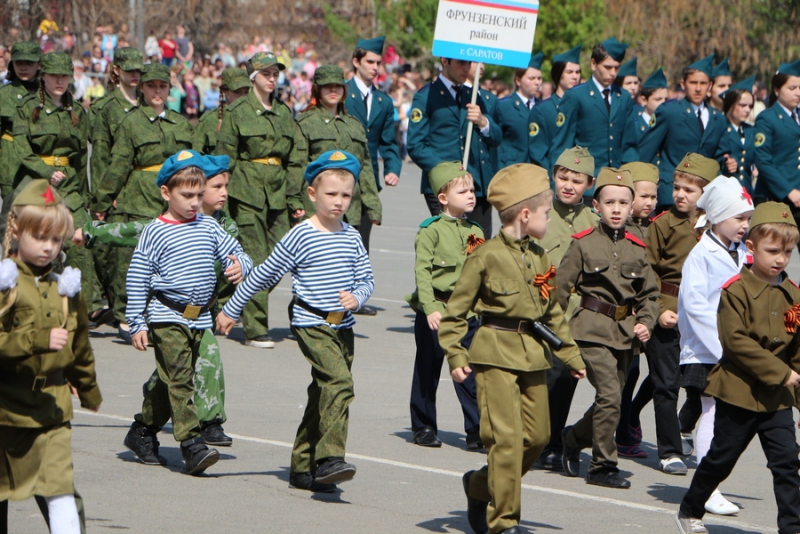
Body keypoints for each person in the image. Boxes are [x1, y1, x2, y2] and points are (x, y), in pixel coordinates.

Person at [438, 163, 586, 534]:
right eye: (546, 212)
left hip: (534, 354)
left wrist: (571, 355)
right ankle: (504, 522)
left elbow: (552, 312)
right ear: (524, 214)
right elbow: (455, 312)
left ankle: (478, 485)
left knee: (536, 438)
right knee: (504, 441)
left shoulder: (540, 257)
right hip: (494, 355)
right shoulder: (485, 255)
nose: (550, 218)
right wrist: (455, 355)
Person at [216, 150, 374, 492]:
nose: (339, 202)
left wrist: (358, 298)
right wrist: (232, 309)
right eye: (331, 194)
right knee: (340, 383)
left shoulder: (351, 236)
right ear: (313, 194)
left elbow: (366, 279)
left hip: (342, 326)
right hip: (310, 321)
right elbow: (261, 275)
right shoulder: (301, 234)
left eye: (346, 195)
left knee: (324, 392)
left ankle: (303, 468)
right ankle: (329, 459)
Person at [122, 150, 252, 475]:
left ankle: (143, 431)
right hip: (167, 315)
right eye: (186, 195)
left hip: (200, 317)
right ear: (166, 192)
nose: (194, 202)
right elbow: (137, 277)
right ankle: (192, 445)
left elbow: (236, 252)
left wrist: (240, 265)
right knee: (181, 379)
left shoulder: (208, 225)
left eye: (198, 194)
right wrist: (136, 321)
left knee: (171, 381)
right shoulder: (155, 231)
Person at [675, 202, 800, 534]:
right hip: (739, 392)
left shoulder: (792, 294)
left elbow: (797, 350)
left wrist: (797, 392)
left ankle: (792, 527)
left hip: (776, 398)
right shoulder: (735, 290)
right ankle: (690, 508)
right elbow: (736, 342)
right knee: (721, 458)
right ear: (751, 247)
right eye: (773, 250)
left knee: (787, 463)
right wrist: (782, 373)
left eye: (787, 252)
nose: (780, 259)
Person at [0, 180, 102, 534]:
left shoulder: (66, 287)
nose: (48, 248)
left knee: (60, 492)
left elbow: (81, 342)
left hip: (51, 409)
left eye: (56, 240)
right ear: (16, 231)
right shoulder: (6, 284)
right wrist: (36, 340)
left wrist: (88, 389)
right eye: (39, 238)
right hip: (6, 409)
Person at [559, 167, 659, 489]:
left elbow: (649, 294)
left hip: (625, 335)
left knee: (611, 400)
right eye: (609, 202)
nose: (616, 209)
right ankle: (602, 466)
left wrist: (646, 321)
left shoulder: (638, 248)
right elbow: (560, 292)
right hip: (589, 331)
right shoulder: (582, 245)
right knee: (611, 395)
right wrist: (554, 336)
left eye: (622, 203)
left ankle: (573, 439)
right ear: (596, 206)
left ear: (631, 208)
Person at [91, 62, 194, 343]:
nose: (157, 91)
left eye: (162, 86)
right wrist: (102, 200)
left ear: (169, 89)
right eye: (151, 86)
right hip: (138, 197)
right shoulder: (131, 122)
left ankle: (161, 314)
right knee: (131, 259)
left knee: (170, 259)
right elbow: (118, 164)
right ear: (143, 89)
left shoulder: (181, 123)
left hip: (172, 198)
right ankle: (125, 316)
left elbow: (193, 165)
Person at [215, 51, 306, 349]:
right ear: (253, 76)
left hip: (278, 192)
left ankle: (237, 301)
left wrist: (294, 195)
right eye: (266, 73)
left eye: (275, 74)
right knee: (254, 257)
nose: (272, 79)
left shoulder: (284, 112)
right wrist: (221, 197)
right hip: (247, 192)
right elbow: (224, 157)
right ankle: (255, 328)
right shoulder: (237, 111)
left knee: (280, 258)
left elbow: (296, 157)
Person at [676, 176, 754, 517]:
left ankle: (708, 485)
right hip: (709, 349)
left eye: (748, 219)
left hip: (731, 346)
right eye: (739, 218)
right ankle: (708, 489)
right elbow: (695, 307)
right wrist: (722, 347)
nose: (745, 225)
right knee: (712, 411)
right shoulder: (700, 255)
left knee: (719, 413)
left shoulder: (740, 252)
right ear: (719, 216)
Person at [645, 153, 719, 475]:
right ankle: (669, 451)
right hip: (670, 310)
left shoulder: (717, 227)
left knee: (704, 385)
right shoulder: (663, 225)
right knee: (665, 385)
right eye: (677, 187)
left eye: (690, 189)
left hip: (704, 315)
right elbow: (648, 273)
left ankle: (684, 425)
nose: (680, 194)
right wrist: (660, 309)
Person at [406, 161, 483, 450]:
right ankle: (423, 426)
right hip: (437, 311)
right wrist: (429, 307)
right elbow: (422, 274)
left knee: (471, 373)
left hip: (468, 314)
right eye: (463, 191)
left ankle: (476, 429)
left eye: (472, 190)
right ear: (442, 198)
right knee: (428, 369)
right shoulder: (430, 231)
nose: (471, 195)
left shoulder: (476, 230)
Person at [531, 147, 599, 471]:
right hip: (536, 309)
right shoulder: (539, 212)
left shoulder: (594, 223)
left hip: (572, 315)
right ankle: (533, 439)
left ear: (590, 183)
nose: (568, 185)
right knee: (536, 379)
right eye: (562, 177)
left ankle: (554, 443)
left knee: (562, 380)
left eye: (577, 179)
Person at [296, 64, 382, 315]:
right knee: (317, 262)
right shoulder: (305, 123)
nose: (333, 91)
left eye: (337, 86)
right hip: (318, 205)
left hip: (350, 204)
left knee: (345, 260)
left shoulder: (353, 125)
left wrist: (372, 203)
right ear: (317, 89)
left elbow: (365, 167)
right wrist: (299, 203)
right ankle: (304, 308)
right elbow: (299, 167)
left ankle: (344, 306)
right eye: (327, 86)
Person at [12, 52, 95, 307]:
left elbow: (81, 159)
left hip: (69, 183)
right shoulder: (27, 108)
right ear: (43, 77)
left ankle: (83, 305)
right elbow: (22, 149)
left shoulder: (78, 110)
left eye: (64, 76)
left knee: (81, 237)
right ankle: (23, 298)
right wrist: (46, 172)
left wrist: (85, 195)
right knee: (33, 238)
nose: (60, 81)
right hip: (36, 182)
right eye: (53, 75)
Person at [407, 57, 501, 236]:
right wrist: (446, 172)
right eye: (461, 63)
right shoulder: (426, 96)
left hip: (474, 185)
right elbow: (416, 145)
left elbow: (496, 138)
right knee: (450, 245)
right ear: (445, 61)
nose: (466, 68)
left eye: (469, 63)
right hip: (442, 185)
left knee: (479, 247)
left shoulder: (473, 95)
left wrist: (483, 122)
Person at [88, 46, 143, 329]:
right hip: (116, 188)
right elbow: (100, 157)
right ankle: (116, 308)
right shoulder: (106, 108)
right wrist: (103, 197)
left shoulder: (147, 103)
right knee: (116, 252)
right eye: (129, 69)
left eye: (138, 70)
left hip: (143, 187)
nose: (135, 75)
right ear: (116, 71)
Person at [639, 56, 726, 209]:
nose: (698, 88)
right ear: (683, 84)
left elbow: (719, 157)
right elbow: (646, 151)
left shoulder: (717, 117)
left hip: (703, 196)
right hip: (671, 194)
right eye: (693, 83)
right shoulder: (670, 112)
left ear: (710, 86)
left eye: (703, 83)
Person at [614, 161, 659, 457]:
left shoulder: (656, 228)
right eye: (643, 196)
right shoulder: (619, 230)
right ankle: (621, 432)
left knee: (662, 374)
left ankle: (630, 414)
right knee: (627, 374)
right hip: (628, 314)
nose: (649, 202)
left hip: (653, 310)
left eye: (653, 196)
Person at [551, 38, 639, 183]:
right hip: (585, 181)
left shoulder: (623, 97)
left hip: (616, 182)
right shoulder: (576, 95)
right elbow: (563, 143)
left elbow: (629, 145)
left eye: (617, 68)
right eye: (607, 67)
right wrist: (559, 182)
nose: (613, 73)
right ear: (593, 64)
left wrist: (632, 179)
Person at [346, 36, 402, 251]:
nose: (375, 68)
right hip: (340, 178)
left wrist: (392, 168)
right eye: (370, 62)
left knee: (361, 246)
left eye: (378, 63)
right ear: (356, 61)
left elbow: (388, 142)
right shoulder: (341, 94)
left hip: (368, 183)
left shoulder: (384, 102)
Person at [0, 41, 42, 237]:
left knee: (40, 217)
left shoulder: (46, 93)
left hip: (41, 161)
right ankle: (9, 262)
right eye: (19, 63)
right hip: (11, 162)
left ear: (38, 65)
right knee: (10, 217)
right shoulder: (4, 94)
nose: (23, 67)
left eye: (29, 62)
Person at [753, 59, 800, 217]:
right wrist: (788, 190)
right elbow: (763, 160)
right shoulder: (767, 118)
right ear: (777, 90)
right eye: (792, 88)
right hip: (776, 197)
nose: (798, 93)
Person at [528, 45, 582, 170]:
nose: (575, 76)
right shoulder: (542, 110)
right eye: (569, 72)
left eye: (578, 72)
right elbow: (538, 152)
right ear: (558, 74)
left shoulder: (583, 105)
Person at [496, 52, 543, 168]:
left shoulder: (543, 107)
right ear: (518, 80)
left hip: (537, 171)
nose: (537, 82)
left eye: (539, 78)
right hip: (512, 170)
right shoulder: (504, 106)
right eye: (531, 78)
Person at [715, 76, 757, 196]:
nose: (747, 110)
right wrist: (725, 163)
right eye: (742, 105)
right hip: (726, 192)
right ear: (731, 104)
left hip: (747, 192)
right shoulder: (719, 128)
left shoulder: (751, 130)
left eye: (750, 106)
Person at [192, 67, 250, 155]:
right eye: (237, 92)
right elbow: (194, 155)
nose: (242, 97)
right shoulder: (209, 120)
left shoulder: (256, 118)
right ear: (224, 91)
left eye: (246, 92)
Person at [629, 68, 668, 146]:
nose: (663, 103)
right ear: (644, 100)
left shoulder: (668, 123)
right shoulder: (633, 126)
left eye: (666, 99)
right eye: (658, 99)